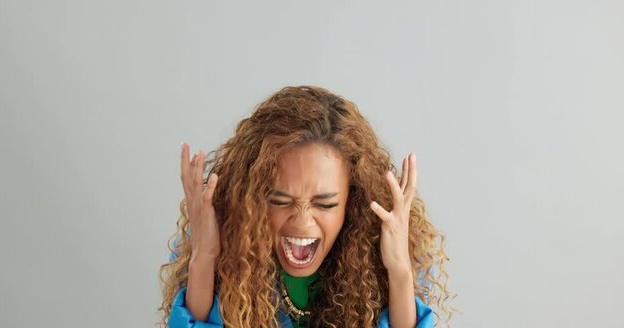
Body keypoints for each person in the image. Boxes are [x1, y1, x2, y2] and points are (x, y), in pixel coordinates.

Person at [159, 86, 454, 327]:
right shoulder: (222, 251)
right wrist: (205, 256)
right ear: (253, 197)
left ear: (352, 203)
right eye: (280, 201)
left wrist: (399, 269)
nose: (302, 222)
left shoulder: (383, 258)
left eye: (324, 204)